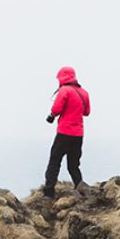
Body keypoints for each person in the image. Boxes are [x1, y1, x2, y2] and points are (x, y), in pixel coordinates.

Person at [43, 66, 91, 197]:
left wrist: (52, 115)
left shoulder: (64, 90)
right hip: (78, 134)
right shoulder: (84, 93)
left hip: (64, 132)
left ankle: (49, 192)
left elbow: (57, 109)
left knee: (55, 161)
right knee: (73, 165)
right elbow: (87, 112)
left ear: (61, 78)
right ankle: (80, 188)